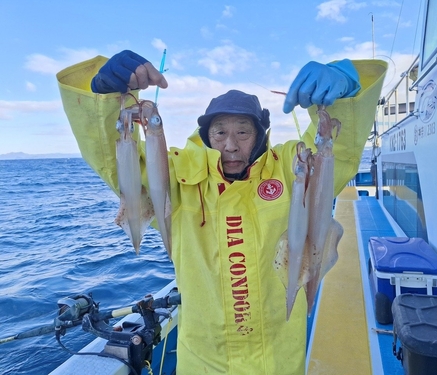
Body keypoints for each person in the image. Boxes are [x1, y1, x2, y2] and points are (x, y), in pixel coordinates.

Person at [57, 50, 387, 374]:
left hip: (280, 363)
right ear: (206, 136)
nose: (230, 145)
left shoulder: (291, 169)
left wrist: (346, 90)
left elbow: (336, 151)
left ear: (260, 135)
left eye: (243, 131)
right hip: (202, 363)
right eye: (219, 132)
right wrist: (105, 95)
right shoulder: (179, 177)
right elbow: (118, 163)